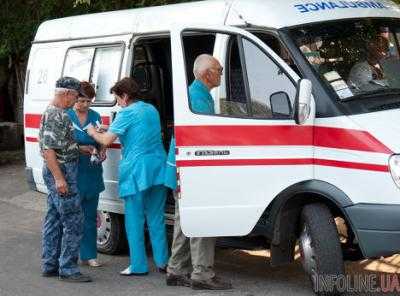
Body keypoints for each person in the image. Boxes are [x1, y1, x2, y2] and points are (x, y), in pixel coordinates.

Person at [86, 77, 168, 276]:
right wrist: (111, 128)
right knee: (157, 218)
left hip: (136, 171)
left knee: (134, 220)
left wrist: (92, 132)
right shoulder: (151, 109)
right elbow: (138, 130)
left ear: (125, 96)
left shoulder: (126, 113)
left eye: (117, 98)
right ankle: (163, 262)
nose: (118, 103)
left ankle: (138, 265)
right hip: (158, 167)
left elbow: (105, 140)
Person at [165, 54, 232, 290]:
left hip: (179, 170)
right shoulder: (198, 99)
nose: (221, 73)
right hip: (192, 171)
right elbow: (204, 140)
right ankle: (202, 274)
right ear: (206, 74)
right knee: (202, 220)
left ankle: (175, 270)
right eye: (219, 69)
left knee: (185, 222)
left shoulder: (196, 94)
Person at [39, 76, 91, 282]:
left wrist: (79, 149)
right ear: (67, 93)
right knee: (73, 220)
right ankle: (68, 268)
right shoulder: (56, 115)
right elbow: (49, 150)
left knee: (53, 218)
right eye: (76, 96)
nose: (75, 101)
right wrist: (60, 179)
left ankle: (50, 263)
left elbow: (58, 145)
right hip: (62, 172)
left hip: (60, 168)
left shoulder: (56, 112)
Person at [66, 82, 105, 267]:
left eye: (88, 101)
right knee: (73, 216)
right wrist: (80, 149)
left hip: (92, 170)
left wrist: (102, 149)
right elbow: (60, 144)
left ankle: (89, 255)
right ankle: (70, 255)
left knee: (90, 215)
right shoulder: (66, 115)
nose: (84, 105)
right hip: (73, 170)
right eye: (81, 101)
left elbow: (101, 139)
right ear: (74, 98)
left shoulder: (95, 116)